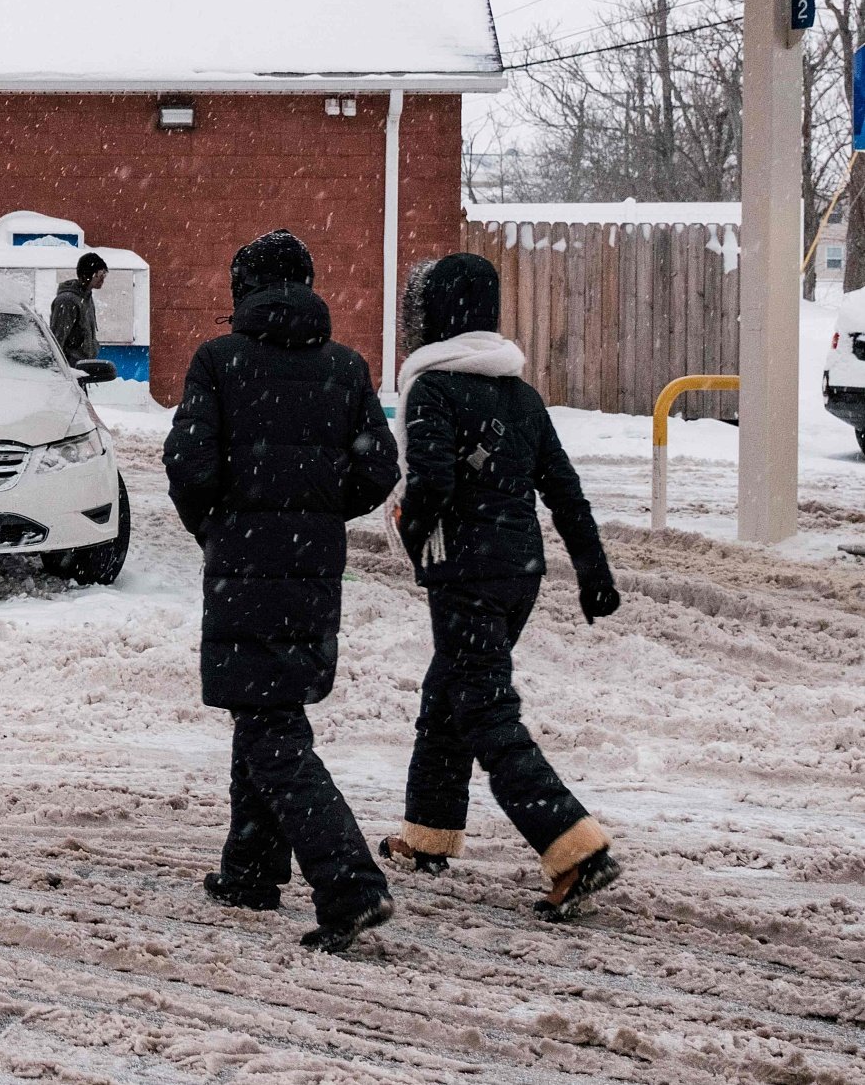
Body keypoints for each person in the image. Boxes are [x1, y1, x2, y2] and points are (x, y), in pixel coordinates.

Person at [163, 229, 400, 953]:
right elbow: (378, 469)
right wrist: (318, 510)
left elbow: (188, 463)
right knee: (266, 705)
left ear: (245, 289)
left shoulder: (219, 361)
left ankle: (350, 883)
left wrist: (216, 524)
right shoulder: (346, 367)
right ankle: (251, 868)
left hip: (242, 563)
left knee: (272, 731)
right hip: (313, 569)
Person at [380, 251, 622, 922]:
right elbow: (564, 491)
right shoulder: (519, 395)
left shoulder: (431, 388)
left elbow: (430, 482)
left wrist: (408, 524)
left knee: (485, 710)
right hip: (519, 573)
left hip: (467, 574)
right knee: (449, 692)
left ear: (437, 318)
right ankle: (427, 834)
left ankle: (572, 844)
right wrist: (594, 570)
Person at [49, 251, 108, 364]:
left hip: (83, 367)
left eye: (104, 274)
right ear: (85, 276)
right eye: (98, 275)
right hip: (71, 369)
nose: (102, 279)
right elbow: (57, 340)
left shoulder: (86, 296)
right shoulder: (67, 301)